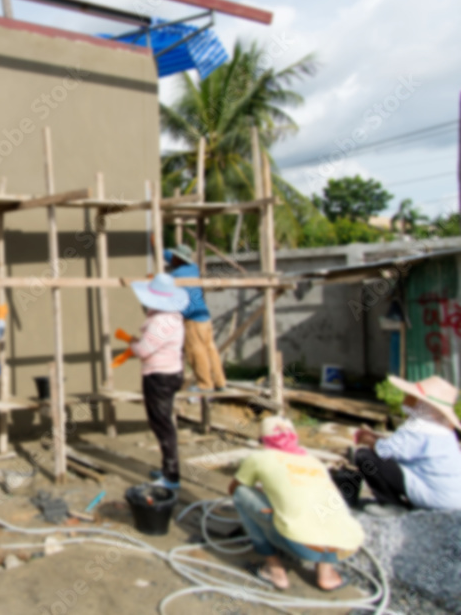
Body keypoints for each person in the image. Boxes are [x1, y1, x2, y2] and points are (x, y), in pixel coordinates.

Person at [229, 416, 365, 591]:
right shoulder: (314, 461)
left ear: (262, 439)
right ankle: (326, 572)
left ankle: (274, 570)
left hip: (302, 545)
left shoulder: (259, 457)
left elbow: (234, 489)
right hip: (346, 546)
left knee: (243, 494)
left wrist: (267, 495)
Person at [353, 375, 461, 511]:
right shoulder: (445, 431)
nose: (407, 397)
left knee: (365, 456)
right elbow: (402, 447)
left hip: (433, 498)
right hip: (454, 500)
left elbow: (384, 451)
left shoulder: (417, 427)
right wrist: (378, 438)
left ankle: (391, 505)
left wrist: (367, 439)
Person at [127, 273, 189, 490]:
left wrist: (134, 345)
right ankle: (167, 470)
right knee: (164, 423)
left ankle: (171, 476)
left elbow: (144, 350)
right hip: (171, 373)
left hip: (159, 377)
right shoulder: (172, 317)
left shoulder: (161, 322)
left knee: (162, 426)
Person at [165, 245, 226, 392]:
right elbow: (170, 257)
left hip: (192, 320)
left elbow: (163, 286)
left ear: (178, 259)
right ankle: (220, 382)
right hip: (204, 317)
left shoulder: (176, 275)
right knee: (210, 349)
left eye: (174, 257)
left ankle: (205, 384)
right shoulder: (193, 268)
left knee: (195, 351)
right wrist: (157, 246)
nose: (171, 258)